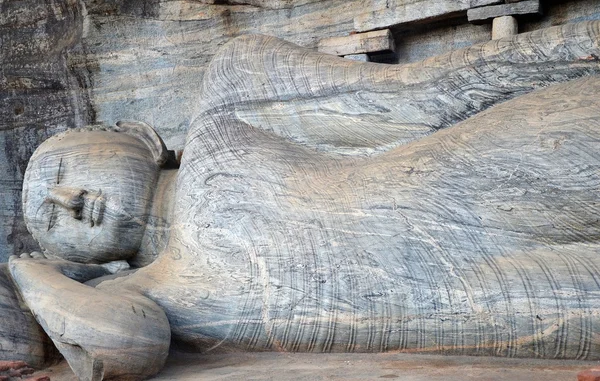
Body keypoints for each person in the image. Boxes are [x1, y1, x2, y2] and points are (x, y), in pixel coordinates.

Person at [7, 24, 600, 380]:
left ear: (136, 133)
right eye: (49, 222)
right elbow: (118, 347)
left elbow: (425, 95)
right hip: (513, 301)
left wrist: (582, 45)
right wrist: (29, 269)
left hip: (501, 175)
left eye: (65, 170)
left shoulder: (229, 97)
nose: (71, 198)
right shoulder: (139, 293)